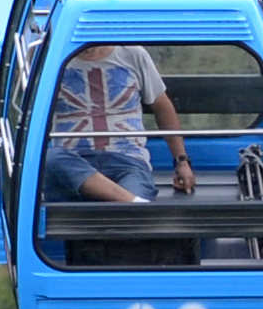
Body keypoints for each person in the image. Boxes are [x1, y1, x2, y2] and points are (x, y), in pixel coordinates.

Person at [43, 38, 194, 206]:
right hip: (74, 162)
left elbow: (162, 107)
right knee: (52, 158)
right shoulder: (53, 59)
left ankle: (128, 202)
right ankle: (134, 203)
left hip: (128, 161)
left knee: (130, 200)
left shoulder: (133, 54)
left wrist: (181, 161)